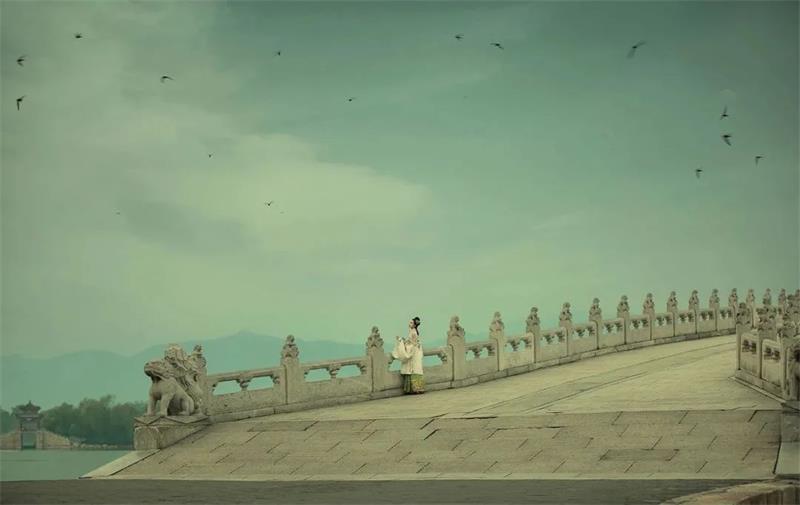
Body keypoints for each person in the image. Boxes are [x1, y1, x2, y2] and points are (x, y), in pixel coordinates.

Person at [392, 316, 425, 394]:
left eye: (411, 323)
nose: (409, 324)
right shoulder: (413, 331)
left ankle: (414, 389)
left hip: (413, 351)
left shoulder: (413, 332)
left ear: (414, 325)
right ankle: (416, 388)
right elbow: (411, 341)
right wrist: (403, 340)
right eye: (409, 322)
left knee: (412, 368)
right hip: (415, 349)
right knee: (414, 368)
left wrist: (401, 341)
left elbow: (413, 342)